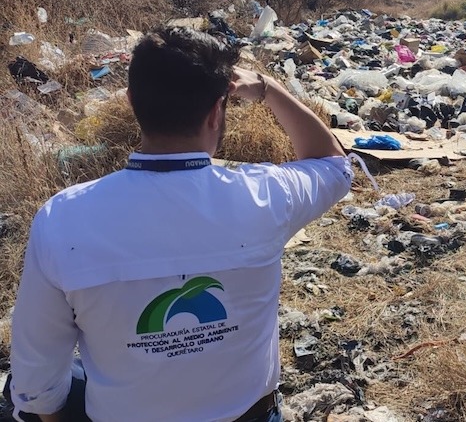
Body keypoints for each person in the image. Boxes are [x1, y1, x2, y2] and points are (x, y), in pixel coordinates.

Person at [6, 25, 352, 421]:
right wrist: (268, 88)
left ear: (132, 101)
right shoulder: (267, 195)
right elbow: (335, 166)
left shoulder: (62, 218)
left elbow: (36, 379)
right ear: (216, 112)